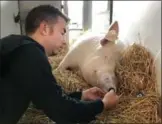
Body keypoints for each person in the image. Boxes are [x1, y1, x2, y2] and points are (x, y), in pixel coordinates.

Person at [0, 5, 120, 124]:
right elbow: (62, 112)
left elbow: (42, 99)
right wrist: (102, 104)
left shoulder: (17, 45)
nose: (64, 41)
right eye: (62, 32)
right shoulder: (31, 54)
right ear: (45, 28)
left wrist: (82, 95)